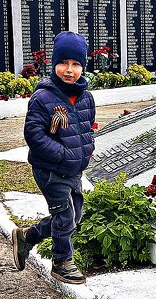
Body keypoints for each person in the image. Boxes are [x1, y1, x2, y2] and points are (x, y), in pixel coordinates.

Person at [10, 31, 96, 285]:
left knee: (74, 216)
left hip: (74, 169)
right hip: (50, 169)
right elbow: (34, 134)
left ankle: (28, 237)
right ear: (54, 64)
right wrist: (62, 154)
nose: (69, 70)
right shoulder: (43, 97)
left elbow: (87, 127)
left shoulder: (86, 97)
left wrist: (86, 149)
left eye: (76, 64)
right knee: (65, 216)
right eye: (63, 63)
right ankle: (62, 262)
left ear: (82, 67)